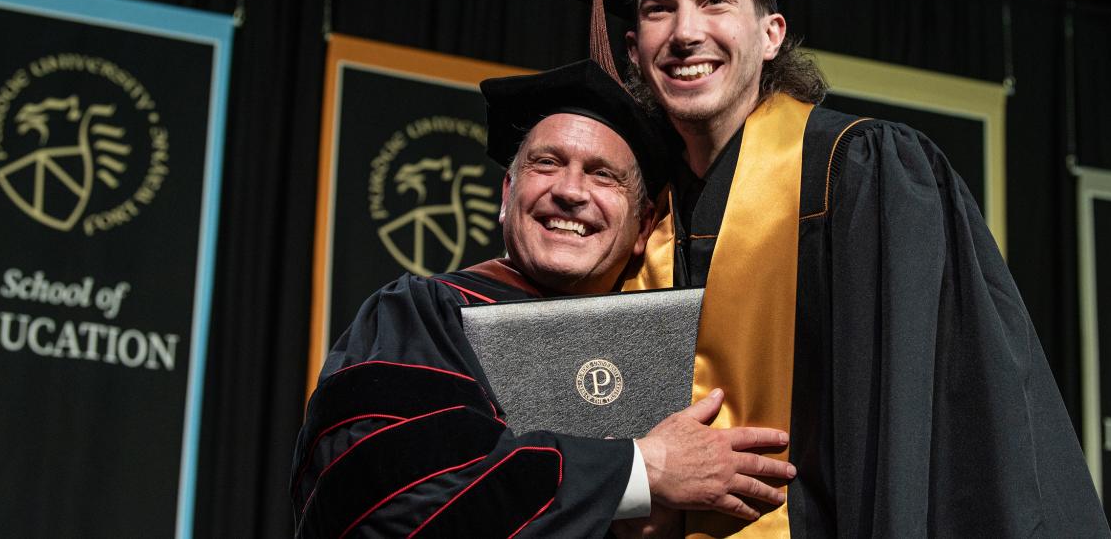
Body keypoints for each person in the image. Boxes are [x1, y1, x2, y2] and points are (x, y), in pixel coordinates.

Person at [568, 0, 1111, 536]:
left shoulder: (861, 174)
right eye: (660, 10)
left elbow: (925, 439)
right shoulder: (636, 226)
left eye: (714, 0)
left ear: (771, 35)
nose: (686, 33)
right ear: (632, 49)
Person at [290, 59, 795, 538]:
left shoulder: (686, 340)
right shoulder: (423, 314)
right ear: (507, 196)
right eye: (547, 163)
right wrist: (641, 472)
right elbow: (378, 501)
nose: (571, 191)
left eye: (604, 175)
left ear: (643, 226)